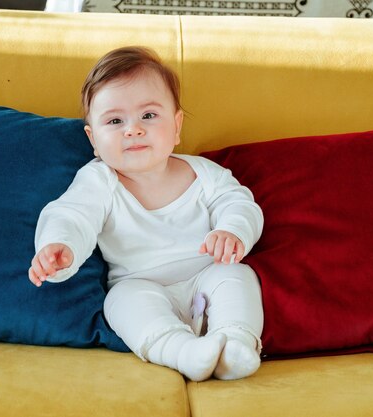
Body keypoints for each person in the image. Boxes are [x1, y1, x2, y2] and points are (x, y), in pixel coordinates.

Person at [29, 46, 264, 381]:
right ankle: (183, 352)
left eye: (149, 116)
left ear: (177, 124)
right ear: (93, 140)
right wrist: (60, 246)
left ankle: (236, 342)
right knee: (121, 303)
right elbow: (72, 215)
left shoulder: (205, 174)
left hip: (205, 276)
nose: (133, 130)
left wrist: (233, 231)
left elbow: (240, 203)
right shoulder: (100, 181)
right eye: (115, 121)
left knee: (237, 277)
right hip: (139, 284)